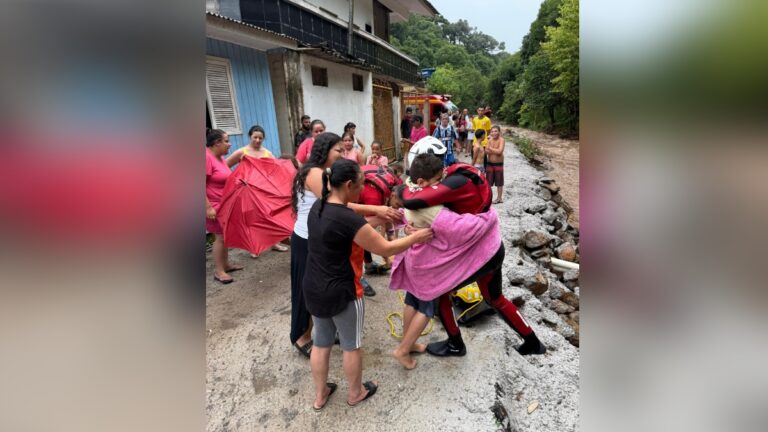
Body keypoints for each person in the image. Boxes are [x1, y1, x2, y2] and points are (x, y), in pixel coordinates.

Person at [304, 158, 432, 410]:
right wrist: (418, 236)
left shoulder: (318, 207)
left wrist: (384, 219)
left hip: (314, 286)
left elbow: (354, 230)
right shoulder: (346, 218)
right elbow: (384, 247)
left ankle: (320, 396)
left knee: (321, 343)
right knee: (351, 346)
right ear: (349, 184)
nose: (363, 190)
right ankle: (356, 392)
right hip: (343, 291)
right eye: (361, 184)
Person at [397, 152, 546, 358]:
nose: (440, 184)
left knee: (440, 294)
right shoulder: (462, 174)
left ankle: (456, 345)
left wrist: (404, 192)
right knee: (495, 299)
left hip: (480, 257)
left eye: (440, 180)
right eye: (438, 180)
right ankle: (533, 343)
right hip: (493, 248)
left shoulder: (454, 185)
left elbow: (452, 227)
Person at [291, 133, 401, 358]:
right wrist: (378, 210)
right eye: (338, 150)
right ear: (324, 151)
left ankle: (328, 330)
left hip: (319, 235)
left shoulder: (327, 174)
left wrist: (379, 215)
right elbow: (336, 204)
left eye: (343, 150)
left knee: (324, 287)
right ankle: (302, 336)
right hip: (306, 238)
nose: (342, 154)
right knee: (307, 291)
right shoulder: (314, 172)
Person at [390, 154, 445, 369]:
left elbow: (407, 220)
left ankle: (408, 343)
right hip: (427, 262)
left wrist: (409, 228)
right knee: (427, 307)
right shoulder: (430, 205)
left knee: (412, 300)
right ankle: (403, 350)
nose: (440, 185)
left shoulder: (410, 193)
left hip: (414, 256)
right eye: (437, 180)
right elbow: (447, 228)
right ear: (422, 182)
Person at [226, 125, 288, 254]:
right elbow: (225, 167)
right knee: (251, 219)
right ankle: (254, 247)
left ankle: (274, 243)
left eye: (260, 138)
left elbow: (275, 170)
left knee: (269, 216)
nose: (258, 140)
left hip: (264, 191)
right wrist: (236, 179)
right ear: (250, 137)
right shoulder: (241, 152)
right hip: (247, 192)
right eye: (255, 137)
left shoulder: (267, 153)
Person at [205, 129, 243, 284]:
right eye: (226, 141)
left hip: (223, 203)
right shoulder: (206, 158)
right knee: (219, 238)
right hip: (213, 205)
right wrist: (208, 208)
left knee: (225, 236)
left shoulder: (219, 157)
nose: (230, 144)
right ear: (217, 143)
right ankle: (219, 271)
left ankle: (226, 265)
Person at [485, 125, 505, 204]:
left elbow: (500, 151)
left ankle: (499, 198)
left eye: (496, 131)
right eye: (492, 131)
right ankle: (488, 197)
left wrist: (490, 149)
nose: (494, 133)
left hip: (498, 163)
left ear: (499, 132)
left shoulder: (501, 140)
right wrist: (493, 150)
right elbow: (486, 151)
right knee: (488, 182)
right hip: (490, 163)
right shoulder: (490, 140)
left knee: (499, 182)